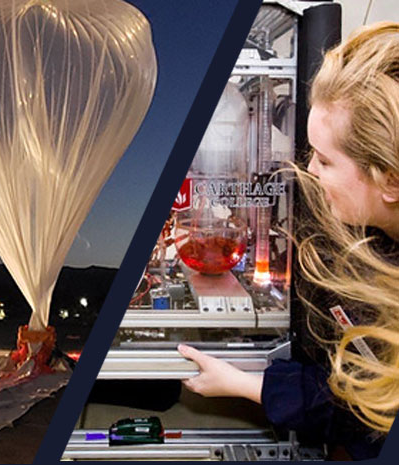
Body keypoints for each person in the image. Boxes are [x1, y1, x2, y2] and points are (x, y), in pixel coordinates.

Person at [178, 22, 399, 460]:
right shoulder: (374, 241)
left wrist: (244, 385)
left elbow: (363, 408)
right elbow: (357, 390)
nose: (311, 172)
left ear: (389, 179)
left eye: (324, 159)